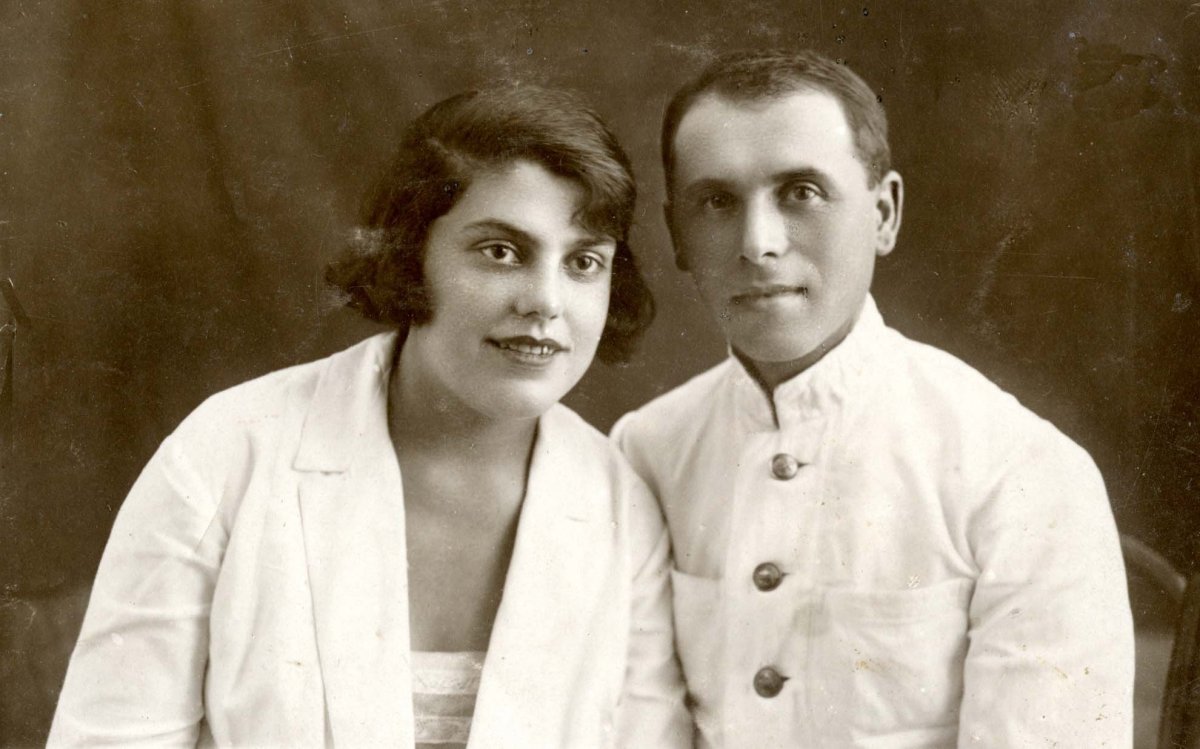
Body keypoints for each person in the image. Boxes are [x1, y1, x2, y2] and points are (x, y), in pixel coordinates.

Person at [49, 86, 690, 747]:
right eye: (501, 251)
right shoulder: (226, 454)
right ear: (413, 255)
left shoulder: (624, 511)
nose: (546, 301)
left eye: (584, 262)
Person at [612, 49, 1134, 747]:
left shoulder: (1019, 468)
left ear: (884, 213)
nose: (758, 243)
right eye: (717, 202)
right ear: (678, 235)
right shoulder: (645, 453)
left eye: (801, 192)